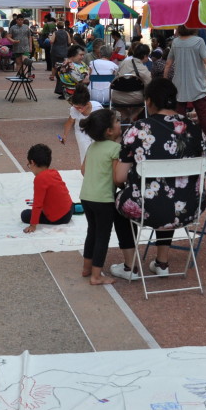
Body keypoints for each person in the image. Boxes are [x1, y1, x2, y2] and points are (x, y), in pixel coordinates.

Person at [115, 78, 206, 278]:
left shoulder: (139, 129)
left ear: (148, 101)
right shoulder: (194, 128)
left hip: (149, 208)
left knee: (121, 200)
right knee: (171, 193)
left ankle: (130, 266)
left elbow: (119, 177)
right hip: (190, 207)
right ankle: (162, 262)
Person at [78, 109, 137, 285]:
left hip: (86, 196)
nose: (120, 124)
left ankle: (86, 268)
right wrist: (121, 186)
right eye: (117, 122)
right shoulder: (116, 148)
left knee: (92, 232)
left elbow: (83, 170)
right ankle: (96, 276)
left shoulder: (92, 147)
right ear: (109, 131)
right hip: (103, 199)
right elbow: (116, 178)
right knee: (103, 236)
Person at [164, 24, 206, 143]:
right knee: (203, 114)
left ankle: (179, 140)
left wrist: (165, 80)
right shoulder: (199, 41)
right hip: (196, 82)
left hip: (179, 83)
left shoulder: (175, 42)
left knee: (179, 114)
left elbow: (168, 64)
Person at [20, 144, 73, 232]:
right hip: (70, 209)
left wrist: (33, 225)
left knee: (25, 214)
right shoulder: (54, 172)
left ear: (32, 162)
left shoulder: (39, 179)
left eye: (29, 164)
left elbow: (37, 204)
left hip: (61, 218)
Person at [61, 82, 102, 165]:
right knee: (85, 152)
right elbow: (69, 123)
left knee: (98, 153)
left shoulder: (97, 107)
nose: (78, 109)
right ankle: (86, 173)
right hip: (81, 131)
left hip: (96, 131)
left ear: (87, 103)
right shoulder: (74, 109)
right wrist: (65, 135)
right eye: (76, 107)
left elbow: (104, 121)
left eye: (80, 107)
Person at [110, 43, 152, 120]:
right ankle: (131, 118)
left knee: (123, 107)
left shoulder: (124, 62)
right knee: (146, 101)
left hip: (117, 98)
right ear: (145, 56)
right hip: (136, 99)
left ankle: (126, 119)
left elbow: (116, 77)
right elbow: (150, 84)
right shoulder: (142, 68)